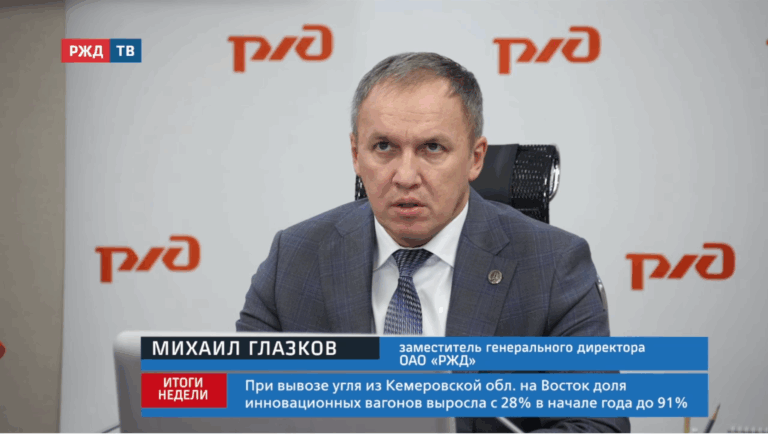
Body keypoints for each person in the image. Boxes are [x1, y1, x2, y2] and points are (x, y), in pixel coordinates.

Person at [236, 52, 630, 433]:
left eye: (432, 148)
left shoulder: (554, 265)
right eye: (384, 147)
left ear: (475, 158)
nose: (405, 176)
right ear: (356, 154)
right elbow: (242, 408)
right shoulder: (295, 257)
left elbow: (596, 423)